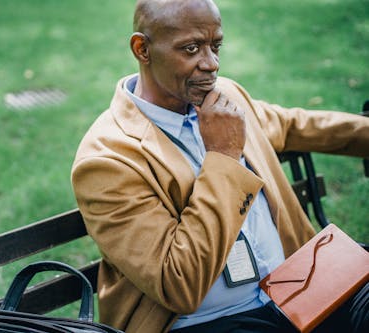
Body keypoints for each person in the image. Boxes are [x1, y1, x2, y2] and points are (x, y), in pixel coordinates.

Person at [71, 0, 369, 332]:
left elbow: (291, 125)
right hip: (211, 321)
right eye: (191, 48)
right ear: (143, 49)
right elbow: (179, 284)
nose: (211, 64)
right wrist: (224, 157)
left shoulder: (226, 98)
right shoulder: (108, 160)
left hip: (299, 290)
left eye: (215, 46)